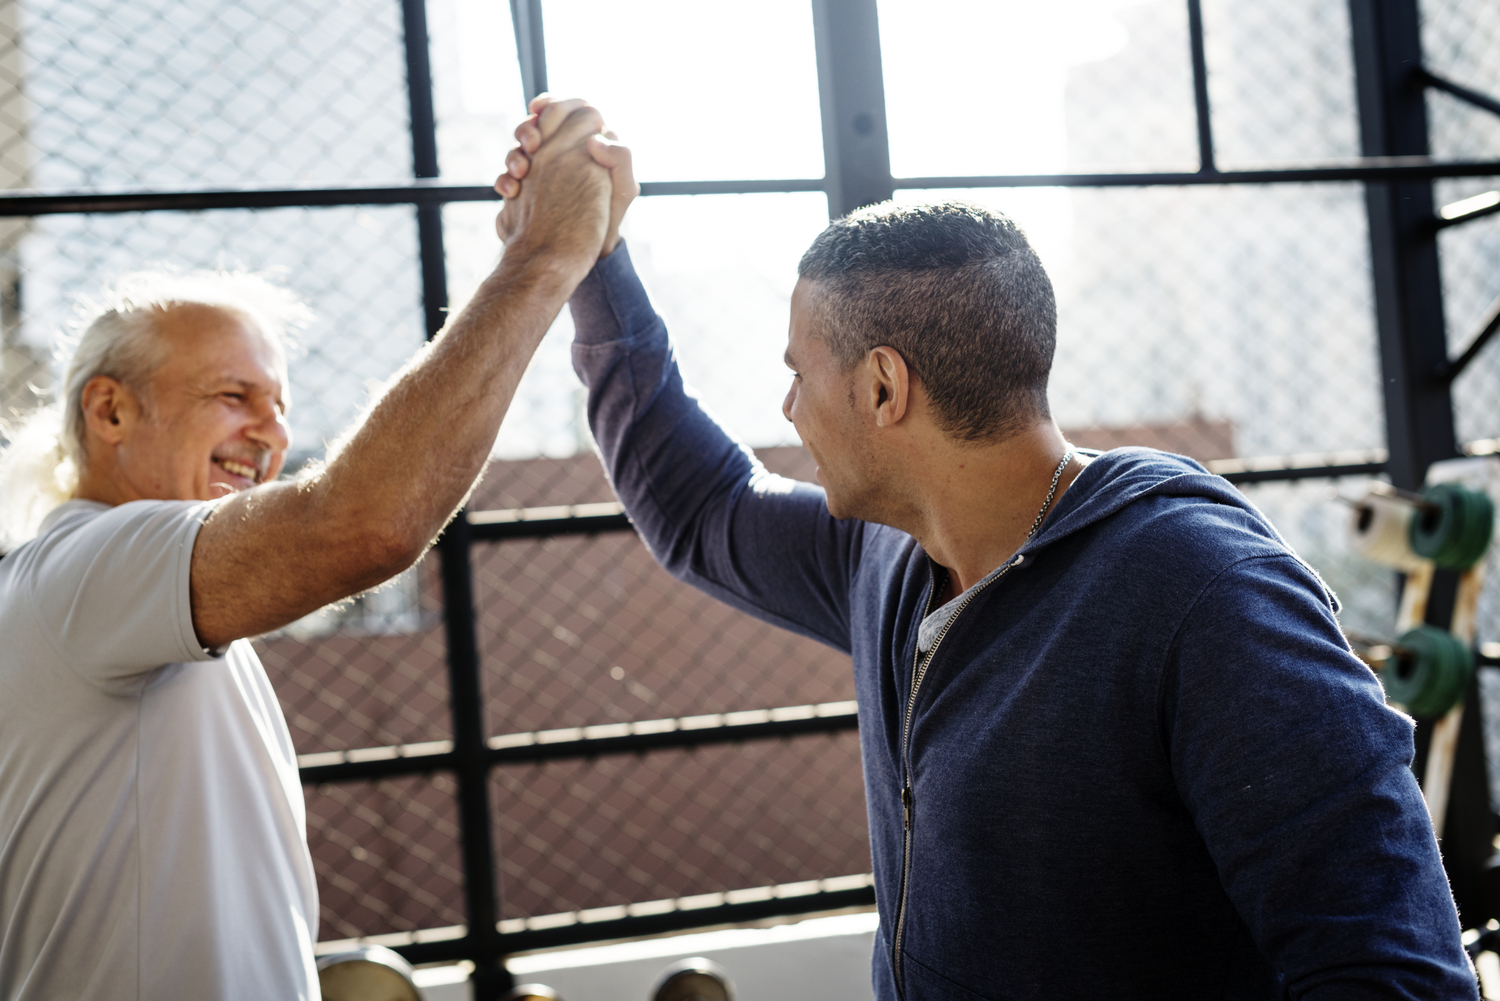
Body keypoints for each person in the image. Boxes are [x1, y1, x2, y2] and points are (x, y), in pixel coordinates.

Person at [499, 101, 1478, 998]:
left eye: (800, 373)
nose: (788, 406)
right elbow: (698, 505)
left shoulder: (1210, 596)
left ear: (884, 387)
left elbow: (1395, 977)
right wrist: (593, 256)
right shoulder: (886, 552)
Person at [0, 100, 628, 1000]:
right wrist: (544, 256)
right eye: (233, 394)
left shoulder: (120, 600)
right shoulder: (94, 566)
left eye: (281, 403)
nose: (270, 433)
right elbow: (363, 522)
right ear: (109, 411)